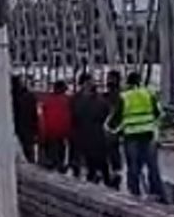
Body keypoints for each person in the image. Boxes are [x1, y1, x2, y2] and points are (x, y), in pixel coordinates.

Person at [108, 71, 166, 200]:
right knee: (152, 166)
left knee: (133, 166)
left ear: (128, 83)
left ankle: (134, 193)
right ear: (140, 81)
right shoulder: (149, 93)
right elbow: (160, 114)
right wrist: (153, 126)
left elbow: (116, 118)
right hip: (148, 134)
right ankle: (156, 193)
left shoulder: (124, 96)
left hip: (131, 135)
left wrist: (113, 131)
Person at [70, 72, 114, 186]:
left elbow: (74, 114)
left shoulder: (76, 99)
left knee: (95, 160)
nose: (92, 83)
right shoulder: (97, 99)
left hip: (86, 133)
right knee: (97, 160)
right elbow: (106, 111)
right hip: (92, 133)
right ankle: (102, 180)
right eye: (90, 81)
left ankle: (96, 179)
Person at [38, 80, 73, 172]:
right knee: (60, 151)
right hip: (62, 132)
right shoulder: (67, 100)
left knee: (52, 152)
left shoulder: (47, 100)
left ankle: (53, 165)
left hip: (50, 132)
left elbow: (43, 117)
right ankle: (59, 166)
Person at [10, 74, 38, 164]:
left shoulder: (10, 96)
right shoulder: (29, 96)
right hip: (28, 126)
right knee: (29, 148)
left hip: (18, 126)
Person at [104, 70, 124, 189]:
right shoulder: (110, 96)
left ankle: (114, 175)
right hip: (111, 130)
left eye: (110, 79)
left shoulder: (118, 97)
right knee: (111, 152)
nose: (109, 81)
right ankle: (114, 175)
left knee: (112, 152)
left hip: (113, 130)